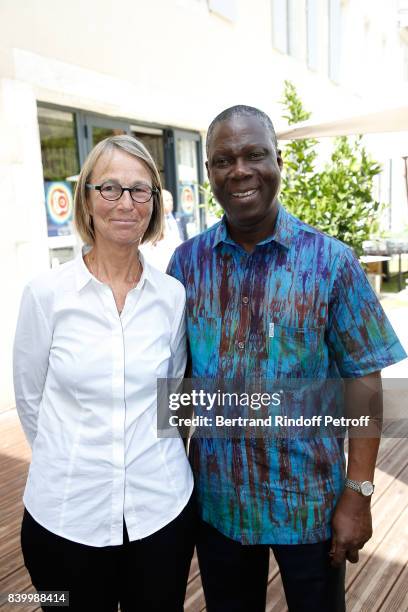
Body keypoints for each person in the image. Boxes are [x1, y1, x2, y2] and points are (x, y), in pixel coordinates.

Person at [167, 105, 407, 612]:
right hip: (218, 507)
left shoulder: (331, 263)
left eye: (255, 154)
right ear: (208, 172)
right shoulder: (185, 264)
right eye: (223, 159)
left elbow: (364, 380)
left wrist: (359, 492)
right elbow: (179, 381)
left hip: (311, 507)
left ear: (279, 162)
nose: (240, 170)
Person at [13, 135, 195, 612]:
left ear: (154, 204)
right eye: (110, 188)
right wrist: (74, 457)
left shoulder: (171, 296)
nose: (125, 203)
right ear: (87, 199)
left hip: (160, 513)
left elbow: (170, 402)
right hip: (67, 517)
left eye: (140, 190)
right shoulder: (46, 294)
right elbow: (30, 400)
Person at [140, 189, 182, 271]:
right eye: (167, 200)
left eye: (171, 200)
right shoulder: (152, 221)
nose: (170, 203)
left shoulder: (177, 218)